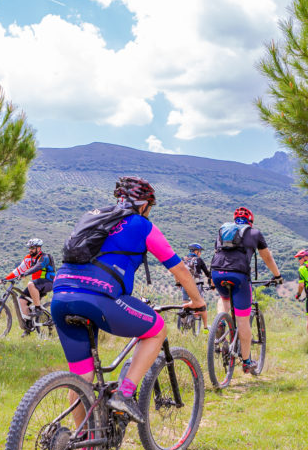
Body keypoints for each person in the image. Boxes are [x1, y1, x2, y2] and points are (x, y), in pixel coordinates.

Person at [51, 176, 206, 424]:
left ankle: (83, 447)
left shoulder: (94, 217)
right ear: (143, 205)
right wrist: (198, 302)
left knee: (82, 377)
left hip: (60, 296)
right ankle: (124, 394)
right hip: (99, 298)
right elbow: (180, 271)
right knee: (157, 329)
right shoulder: (141, 225)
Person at [209, 207, 282, 374]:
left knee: (224, 298)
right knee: (243, 320)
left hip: (217, 272)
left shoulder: (223, 230)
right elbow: (267, 257)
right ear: (251, 221)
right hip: (239, 275)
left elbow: (216, 252)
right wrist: (277, 275)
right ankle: (247, 361)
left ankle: (221, 322)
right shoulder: (255, 233)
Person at [4, 238, 55, 329]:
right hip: (36, 285)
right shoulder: (28, 258)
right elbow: (19, 270)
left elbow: (37, 267)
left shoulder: (45, 257)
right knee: (22, 301)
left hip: (48, 282)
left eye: (32, 248)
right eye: (29, 248)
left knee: (30, 284)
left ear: (39, 248)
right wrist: (6, 278)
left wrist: (26, 273)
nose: (30, 250)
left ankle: (38, 308)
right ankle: (28, 326)